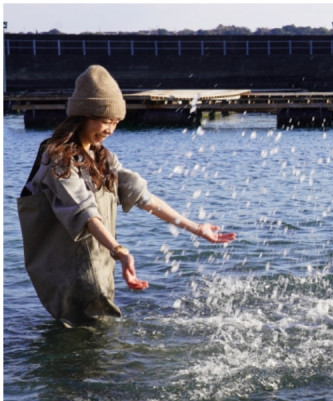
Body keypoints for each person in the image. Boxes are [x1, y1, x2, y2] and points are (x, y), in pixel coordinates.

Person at [17, 65, 236, 328]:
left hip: (99, 271)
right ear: (81, 116)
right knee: (92, 345)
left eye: (116, 123)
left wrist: (195, 228)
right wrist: (119, 250)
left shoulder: (104, 158)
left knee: (96, 342)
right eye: (104, 120)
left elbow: (144, 197)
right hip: (69, 276)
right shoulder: (58, 160)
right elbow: (86, 213)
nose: (110, 129)